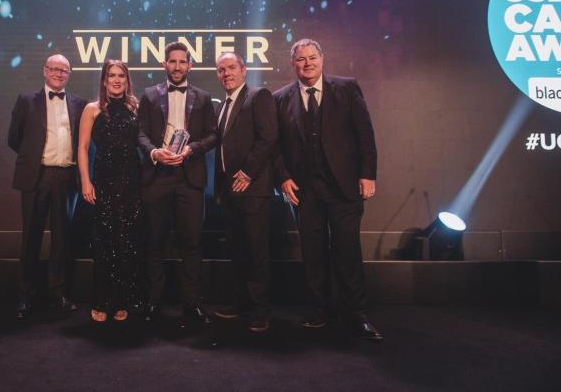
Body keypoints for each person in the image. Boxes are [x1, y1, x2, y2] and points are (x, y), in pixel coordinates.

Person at [273, 38, 382, 341]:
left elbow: (365, 134)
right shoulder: (280, 98)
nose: (307, 63)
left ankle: (356, 315)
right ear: (292, 63)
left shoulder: (346, 88)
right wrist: (282, 177)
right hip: (304, 191)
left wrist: (367, 175)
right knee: (313, 254)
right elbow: (274, 146)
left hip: (344, 187)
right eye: (301, 59)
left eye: (312, 57)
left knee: (347, 251)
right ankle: (319, 311)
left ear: (322, 59)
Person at [137, 41, 217, 325]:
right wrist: (153, 152)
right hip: (157, 177)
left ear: (190, 65)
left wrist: (191, 149)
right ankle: (153, 303)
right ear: (164, 64)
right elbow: (140, 133)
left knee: (191, 243)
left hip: (189, 178)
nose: (177, 66)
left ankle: (191, 304)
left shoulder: (203, 97)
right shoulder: (149, 95)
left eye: (183, 61)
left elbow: (213, 135)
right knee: (154, 243)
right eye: (173, 61)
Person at [8, 54, 87, 320]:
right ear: (45, 70)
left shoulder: (79, 104)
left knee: (62, 239)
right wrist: (34, 160)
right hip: (36, 175)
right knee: (31, 237)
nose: (58, 73)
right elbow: (14, 138)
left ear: (69, 74)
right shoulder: (26, 100)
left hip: (67, 177)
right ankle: (25, 295)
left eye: (63, 70)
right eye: (54, 68)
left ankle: (58, 294)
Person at [212, 52, 278, 333]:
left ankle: (260, 310)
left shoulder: (258, 96)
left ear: (244, 70)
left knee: (255, 251)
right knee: (237, 250)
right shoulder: (223, 105)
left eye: (231, 68)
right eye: (221, 70)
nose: (226, 73)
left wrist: (248, 172)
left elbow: (268, 137)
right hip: (229, 190)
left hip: (252, 188)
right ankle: (241, 303)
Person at [78, 59, 143, 322]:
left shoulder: (135, 107)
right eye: (112, 75)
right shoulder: (92, 109)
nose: (116, 80)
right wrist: (86, 181)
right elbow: (82, 148)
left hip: (132, 182)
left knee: (127, 242)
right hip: (103, 182)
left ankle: (122, 301)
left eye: (121, 76)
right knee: (104, 243)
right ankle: (101, 301)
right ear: (104, 80)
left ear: (127, 81)